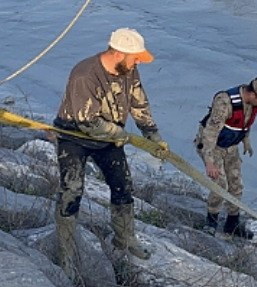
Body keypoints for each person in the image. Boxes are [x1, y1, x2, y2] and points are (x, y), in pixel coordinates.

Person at [52, 27, 169, 274]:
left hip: (110, 137)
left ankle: (124, 238)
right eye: (136, 57)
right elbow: (87, 121)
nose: (139, 61)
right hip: (74, 136)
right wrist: (121, 135)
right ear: (118, 53)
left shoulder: (129, 70)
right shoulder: (85, 75)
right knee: (72, 191)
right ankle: (66, 251)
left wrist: (152, 135)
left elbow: (139, 103)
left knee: (123, 186)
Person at [194, 76, 257, 239]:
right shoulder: (225, 102)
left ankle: (232, 222)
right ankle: (211, 221)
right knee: (220, 183)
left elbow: (245, 124)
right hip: (213, 146)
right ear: (253, 95)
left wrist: (246, 141)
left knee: (236, 184)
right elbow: (210, 132)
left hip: (231, 146)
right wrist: (209, 162)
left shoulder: (251, 105)